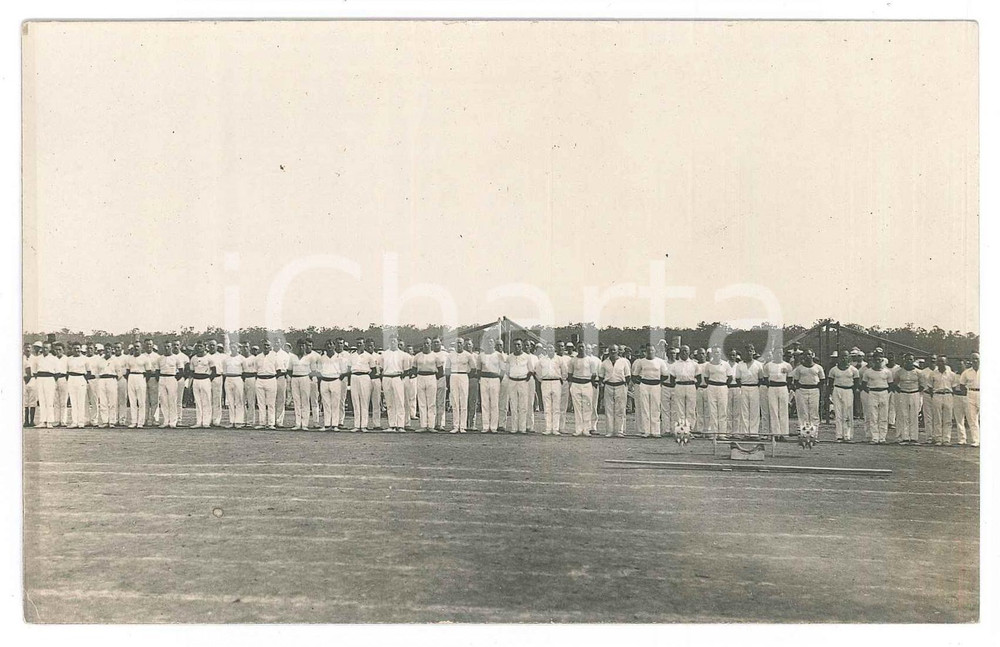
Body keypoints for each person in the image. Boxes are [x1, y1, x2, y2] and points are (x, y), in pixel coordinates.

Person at [827, 351, 861, 442]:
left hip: (848, 390)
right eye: (842, 356)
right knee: (838, 414)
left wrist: (850, 391)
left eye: (846, 356)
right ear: (838, 358)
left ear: (849, 358)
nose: (843, 358)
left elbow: (856, 383)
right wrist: (830, 394)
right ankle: (839, 435)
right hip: (837, 390)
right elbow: (830, 383)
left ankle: (847, 435)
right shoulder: (833, 370)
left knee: (847, 414)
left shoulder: (853, 370)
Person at [790, 349, 825, 434]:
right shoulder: (799, 368)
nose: (807, 356)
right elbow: (796, 381)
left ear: (812, 355)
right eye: (805, 355)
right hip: (802, 391)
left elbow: (822, 381)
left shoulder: (818, 367)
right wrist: (800, 389)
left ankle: (814, 433)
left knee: (814, 412)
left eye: (809, 354)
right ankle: (804, 433)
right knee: (803, 412)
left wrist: (820, 392)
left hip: (814, 390)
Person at [861, 354, 894, 444]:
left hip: (884, 393)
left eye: (880, 360)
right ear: (873, 361)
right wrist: (871, 392)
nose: (878, 362)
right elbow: (864, 385)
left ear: (882, 361)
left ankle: (882, 437)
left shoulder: (887, 372)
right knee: (873, 416)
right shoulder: (868, 372)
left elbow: (891, 385)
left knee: (883, 416)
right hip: (872, 393)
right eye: (876, 360)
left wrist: (885, 393)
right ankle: (874, 437)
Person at [926, 355, 958, 446]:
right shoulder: (933, 373)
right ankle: (938, 439)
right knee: (937, 418)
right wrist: (935, 395)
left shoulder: (951, 374)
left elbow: (954, 387)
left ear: (946, 362)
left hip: (948, 395)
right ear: (937, 363)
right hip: (937, 395)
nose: (941, 363)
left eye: (943, 362)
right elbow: (930, 387)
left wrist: (950, 395)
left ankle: (946, 439)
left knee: (948, 418)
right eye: (939, 361)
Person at [566, 342, 597, 436]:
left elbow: (594, 374)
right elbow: (570, 374)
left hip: (587, 384)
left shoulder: (590, 360)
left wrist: (588, 382)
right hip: (576, 384)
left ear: (585, 348)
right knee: (577, 408)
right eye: (579, 347)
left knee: (587, 407)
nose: (581, 349)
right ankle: (578, 429)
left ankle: (586, 429)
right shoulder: (572, 360)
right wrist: (573, 384)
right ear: (576, 348)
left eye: (582, 347)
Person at [535, 343, 566, 435]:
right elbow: (537, 372)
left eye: (551, 347)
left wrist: (561, 379)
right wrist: (542, 379)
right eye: (548, 348)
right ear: (546, 350)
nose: (550, 349)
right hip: (545, 382)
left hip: (556, 382)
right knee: (547, 406)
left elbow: (564, 371)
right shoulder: (541, 360)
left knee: (556, 406)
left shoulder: (559, 359)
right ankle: (548, 428)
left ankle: (555, 429)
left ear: (554, 349)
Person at [702, 347, 733, 437]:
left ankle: (722, 434)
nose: (716, 354)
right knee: (712, 411)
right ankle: (713, 433)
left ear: (721, 353)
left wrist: (722, 384)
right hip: (711, 387)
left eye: (718, 352)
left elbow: (730, 378)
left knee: (722, 410)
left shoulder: (725, 364)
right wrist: (713, 384)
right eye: (714, 352)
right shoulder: (708, 365)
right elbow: (706, 378)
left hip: (722, 388)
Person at [891, 353, 922, 445]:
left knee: (914, 415)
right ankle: (905, 437)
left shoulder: (918, 372)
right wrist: (902, 390)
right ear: (904, 361)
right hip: (903, 394)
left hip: (914, 394)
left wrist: (914, 391)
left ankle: (913, 437)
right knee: (904, 415)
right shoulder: (899, 372)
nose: (909, 361)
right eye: (907, 359)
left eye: (911, 359)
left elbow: (922, 385)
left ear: (913, 360)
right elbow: (895, 384)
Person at [762, 350, 793, 440]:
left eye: (780, 353)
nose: (778, 355)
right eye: (777, 353)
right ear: (774, 354)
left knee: (783, 410)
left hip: (783, 387)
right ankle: (775, 434)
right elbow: (765, 378)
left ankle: (784, 434)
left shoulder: (787, 365)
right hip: (772, 388)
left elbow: (790, 379)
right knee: (773, 410)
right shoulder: (768, 365)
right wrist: (772, 385)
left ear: (782, 354)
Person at [601, 344, 631, 437]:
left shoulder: (623, 362)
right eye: (611, 350)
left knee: (620, 409)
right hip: (608, 386)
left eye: (614, 350)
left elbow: (628, 376)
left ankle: (619, 431)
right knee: (609, 409)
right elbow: (601, 376)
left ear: (618, 351)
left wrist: (625, 386)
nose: (612, 352)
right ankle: (609, 431)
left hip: (620, 386)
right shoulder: (605, 362)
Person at [668, 345, 699, 434]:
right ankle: (681, 430)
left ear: (689, 352)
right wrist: (678, 385)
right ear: (679, 352)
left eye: (686, 351)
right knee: (679, 409)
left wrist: (692, 386)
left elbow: (699, 378)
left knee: (691, 409)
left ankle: (690, 430)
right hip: (679, 386)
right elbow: (672, 379)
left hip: (691, 386)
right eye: (682, 351)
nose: (684, 353)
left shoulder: (694, 364)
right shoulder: (675, 364)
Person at [413, 338, 443, 432]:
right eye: (424, 343)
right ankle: (423, 425)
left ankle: (431, 426)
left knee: (431, 403)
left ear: (431, 345)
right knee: (422, 402)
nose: (426, 345)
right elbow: (414, 369)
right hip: (420, 377)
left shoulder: (435, 356)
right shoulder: (417, 356)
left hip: (431, 377)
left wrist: (434, 378)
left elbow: (440, 371)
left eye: (428, 343)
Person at [735, 344, 764, 437]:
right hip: (743, 388)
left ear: (753, 352)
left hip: (755, 388)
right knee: (744, 411)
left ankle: (754, 433)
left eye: (751, 351)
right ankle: (745, 433)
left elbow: (761, 379)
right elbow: (737, 379)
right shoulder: (740, 365)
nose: (749, 353)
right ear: (744, 353)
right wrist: (743, 386)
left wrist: (754, 386)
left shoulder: (759, 365)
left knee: (754, 411)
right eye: (747, 351)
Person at [380, 336, 408, 432]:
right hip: (387, 377)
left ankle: (400, 425)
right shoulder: (384, 354)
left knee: (400, 401)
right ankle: (392, 425)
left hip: (397, 378)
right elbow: (380, 368)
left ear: (397, 342)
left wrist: (400, 377)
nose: (393, 343)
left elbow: (406, 370)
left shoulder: (403, 355)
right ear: (389, 342)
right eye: (391, 341)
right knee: (389, 402)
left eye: (394, 341)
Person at [349, 338, 376, 431]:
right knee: (355, 401)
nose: (359, 345)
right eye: (357, 343)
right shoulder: (352, 356)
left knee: (364, 401)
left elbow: (373, 370)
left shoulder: (369, 356)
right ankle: (357, 425)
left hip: (365, 377)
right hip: (354, 377)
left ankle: (364, 425)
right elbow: (349, 368)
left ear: (364, 344)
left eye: (360, 343)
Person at [448, 337, 474, 433]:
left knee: (463, 401)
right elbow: (447, 369)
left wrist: (465, 375)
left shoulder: (468, 355)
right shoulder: (450, 355)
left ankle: (462, 426)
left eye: (460, 343)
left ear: (463, 344)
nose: (458, 345)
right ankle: (455, 426)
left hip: (463, 376)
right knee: (455, 401)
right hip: (453, 375)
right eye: (457, 343)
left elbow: (473, 368)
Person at [478, 339, 504, 433]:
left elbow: (503, 370)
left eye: (491, 342)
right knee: (484, 403)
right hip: (484, 378)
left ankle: (493, 427)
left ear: (494, 344)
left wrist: (498, 379)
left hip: (495, 379)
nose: (489, 344)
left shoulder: (498, 355)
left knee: (494, 403)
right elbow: (478, 369)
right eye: (487, 342)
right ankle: (485, 426)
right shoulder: (481, 355)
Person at [65, 342, 92, 428]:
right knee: (73, 401)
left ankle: (81, 422)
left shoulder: (85, 359)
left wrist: (84, 380)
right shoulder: (69, 359)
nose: (76, 350)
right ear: (72, 349)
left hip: (81, 379)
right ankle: (74, 422)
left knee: (81, 401)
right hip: (71, 378)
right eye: (74, 348)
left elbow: (89, 372)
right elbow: (67, 371)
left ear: (80, 349)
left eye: (78, 348)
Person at [293, 339, 318, 431]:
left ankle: (304, 424)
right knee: (296, 401)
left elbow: (313, 371)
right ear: (297, 346)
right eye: (299, 346)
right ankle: (297, 423)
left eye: (303, 346)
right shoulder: (293, 357)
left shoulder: (310, 357)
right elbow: (289, 369)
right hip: (295, 378)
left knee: (305, 401)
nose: (301, 347)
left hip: (305, 378)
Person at [255, 339, 281, 430]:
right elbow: (255, 370)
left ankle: (271, 423)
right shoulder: (258, 357)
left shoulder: (275, 356)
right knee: (261, 403)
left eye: (268, 345)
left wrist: (271, 378)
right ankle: (262, 423)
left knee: (271, 403)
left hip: (271, 379)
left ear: (270, 347)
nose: (266, 347)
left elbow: (279, 371)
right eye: (264, 345)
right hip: (260, 380)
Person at [188, 342, 214, 428]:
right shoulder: (193, 358)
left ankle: (206, 422)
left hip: (205, 380)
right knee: (198, 402)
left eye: (201, 346)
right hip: (196, 380)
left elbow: (214, 371)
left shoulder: (209, 358)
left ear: (205, 347)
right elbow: (191, 371)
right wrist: (191, 383)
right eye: (197, 346)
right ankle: (199, 422)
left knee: (206, 401)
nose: (199, 348)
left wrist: (208, 379)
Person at [94, 343, 120, 427]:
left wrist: (113, 379)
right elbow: (96, 372)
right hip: (102, 380)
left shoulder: (115, 360)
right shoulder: (100, 360)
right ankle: (105, 421)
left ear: (111, 349)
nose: (107, 350)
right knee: (103, 401)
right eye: (106, 349)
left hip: (112, 380)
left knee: (112, 401)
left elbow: (119, 373)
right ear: (104, 350)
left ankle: (112, 421)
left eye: (109, 349)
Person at [157, 343, 182, 428]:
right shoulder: (160, 358)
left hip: (172, 378)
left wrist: (174, 379)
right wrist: (160, 379)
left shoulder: (176, 358)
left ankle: (173, 421)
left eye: (168, 346)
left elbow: (181, 371)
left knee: (172, 400)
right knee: (163, 400)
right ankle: (165, 420)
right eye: (165, 346)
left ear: (171, 347)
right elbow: (157, 370)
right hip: (162, 378)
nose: (167, 348)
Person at [34, 342, 59, 428]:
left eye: (47, 348)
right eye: (44, 348)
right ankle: (43, 421)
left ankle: (49, 421)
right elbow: (34, 371)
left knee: (49, 400)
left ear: (50, 348)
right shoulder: (37, 358)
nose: (45, 349)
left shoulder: (54, 359)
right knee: (41, 400)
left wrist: (52, 380)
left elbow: (57, 372)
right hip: (40, 379)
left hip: (50, 379)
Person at [222, 342, 246, 429]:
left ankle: (239, 421)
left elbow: (244, 371)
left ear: (238, 349)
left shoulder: (242, 358)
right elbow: (224, 371)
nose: (233, 349)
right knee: (230, 401)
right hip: (228, 379)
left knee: (239, 400)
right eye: (231, 347)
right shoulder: (226, 359)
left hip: (238, 378)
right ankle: (232, 421)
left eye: (235, 347)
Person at [959, 353, 980, 447]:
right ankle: (976, 440)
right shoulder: (966, 372)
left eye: (977, 359)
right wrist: (968, 393)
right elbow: (962, 384)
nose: (975, 361)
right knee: (972, 419)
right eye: (973, 359)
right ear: (971, 360)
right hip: (971, 393)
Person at [141, 339, 161, 425]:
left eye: (150, 344)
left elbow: (159, 369)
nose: (148, 346)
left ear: (153, 345)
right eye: (147, 344)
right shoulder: (141, 356)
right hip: (143, 378)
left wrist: (157, 378)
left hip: (153, 378)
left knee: (154, 400)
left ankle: (154, 419)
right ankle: (144, 419)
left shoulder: (157, 357)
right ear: (144, 346)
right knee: (144, 400)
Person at [367, 339, 384, 431]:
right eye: (368, 345)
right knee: (365, 402)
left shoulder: (379, 356)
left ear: (374, 346)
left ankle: (376, 424)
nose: (370, 347)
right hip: (366, 379)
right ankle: (364, 424)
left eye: (371, 346)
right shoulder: (363, 356)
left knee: (376, 402)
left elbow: (381, 368)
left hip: (376, 379)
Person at [274, 338, 291, 428]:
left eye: (278, 342)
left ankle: (279, 421)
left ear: (280, 344)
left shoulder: (285, 355)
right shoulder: (270, 354)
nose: (276, 344)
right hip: (271, 377)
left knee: (281, 399)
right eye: (275, 342)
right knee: (271, 400)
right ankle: (271, 420)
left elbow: (287, 368)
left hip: (281, 377)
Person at [465, 338, 481, 432]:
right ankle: (463, 423)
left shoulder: (476, 356)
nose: (468, 346)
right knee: (463, 402)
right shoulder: (462, 355)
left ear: (472, 345)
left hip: (473, 380)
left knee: (473, 401)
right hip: (463, 378)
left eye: (469, 344)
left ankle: (472, 423)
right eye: (466, 344)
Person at [241, 344, 258, 429]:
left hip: (251, 379)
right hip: (241, 379)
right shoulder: (240, 358)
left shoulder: (254, 358)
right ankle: (243, 420)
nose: (244, 349)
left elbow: (256, 371)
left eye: (246, 347)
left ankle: (250, 421)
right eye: (243, 347)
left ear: (249, 348)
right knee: (241, 401)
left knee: (251, 401)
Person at [52, 342, 69, 426]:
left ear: (63, 350)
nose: (58, 351)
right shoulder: (53, 359)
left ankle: (63, 420)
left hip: (63, 379)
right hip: (54, 379)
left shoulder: (67, 359)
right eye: (56, 350)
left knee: (63, 401)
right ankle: (57, 420)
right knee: (56, 401)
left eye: (60, 350)